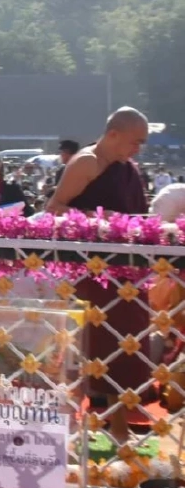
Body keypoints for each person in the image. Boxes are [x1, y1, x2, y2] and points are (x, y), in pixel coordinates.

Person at [45, 108, 151, 441]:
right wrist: (95, 219)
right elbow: (54, 208)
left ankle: (119, 428)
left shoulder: (128, 169)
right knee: (89, 349)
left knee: (126, 348)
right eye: (136, 142)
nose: (138, 150)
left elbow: (139, 216)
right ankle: (72, 427)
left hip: (127, 273)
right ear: (114, 134)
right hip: (93, 274)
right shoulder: (86, 163)